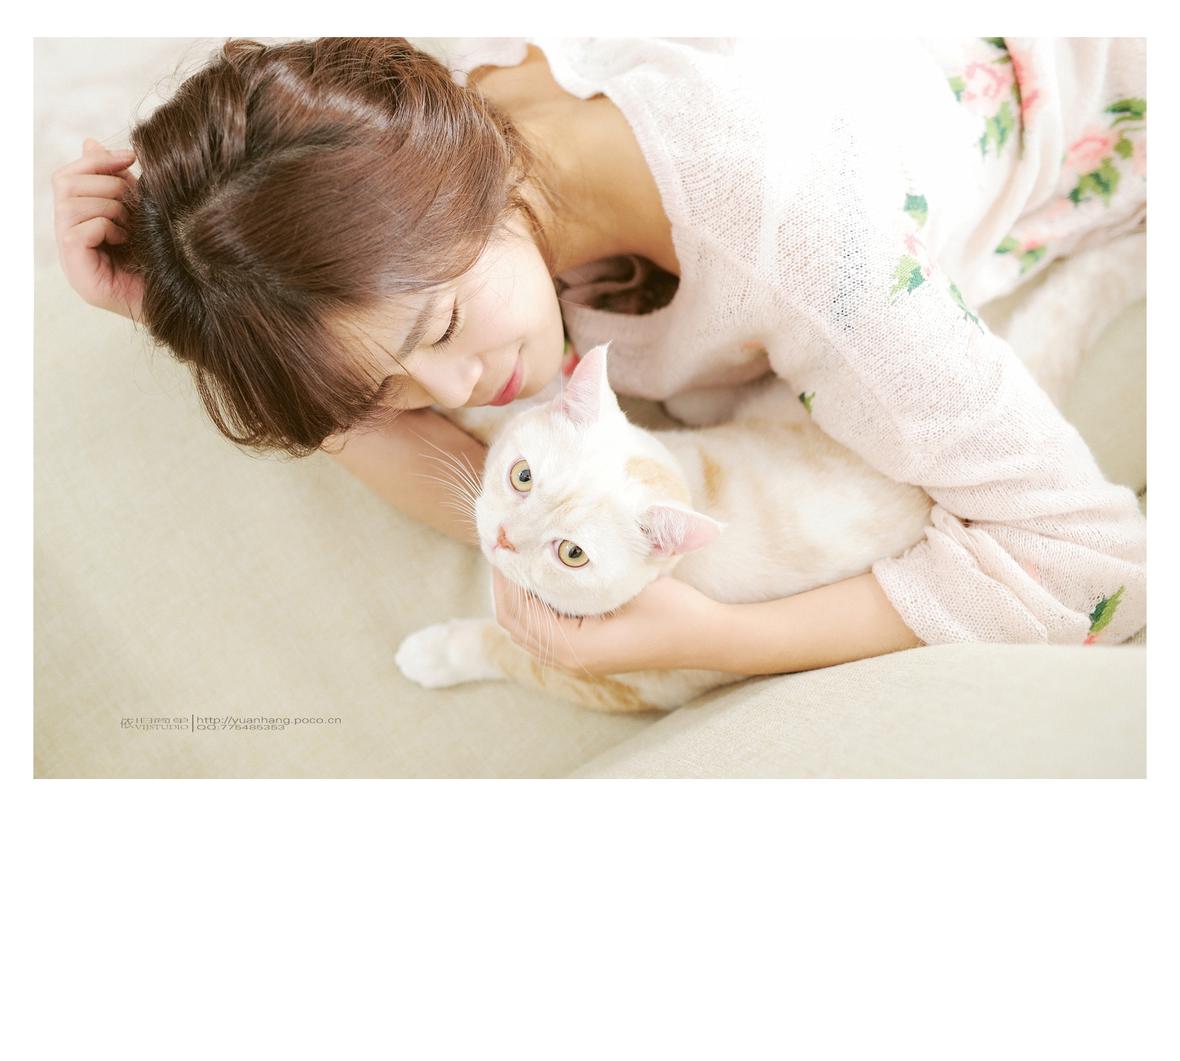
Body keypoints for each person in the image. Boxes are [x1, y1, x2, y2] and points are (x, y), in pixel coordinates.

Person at [51, 36, 1147, 678]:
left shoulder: (795, 234)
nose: (453, 396)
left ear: (469, 185)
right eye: (384, 387)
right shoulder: (409, 130)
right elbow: (503, 506)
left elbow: (1091, 564)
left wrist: (719, 636)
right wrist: (197, 311)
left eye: (442, 329)